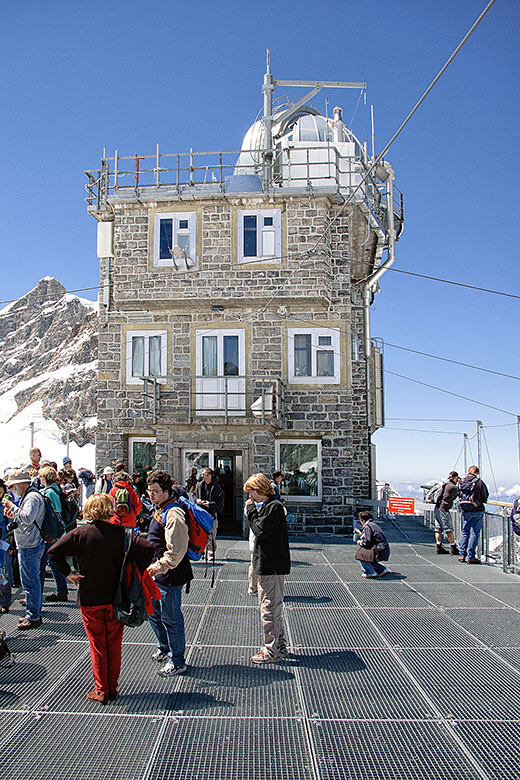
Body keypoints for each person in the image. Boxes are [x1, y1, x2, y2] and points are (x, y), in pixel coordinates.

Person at [48, 494, 155, 704]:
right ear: (109, 509)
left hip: (90, 597)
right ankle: (112, 687)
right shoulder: (123, 535)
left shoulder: (79, 534)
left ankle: (102, 689)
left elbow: (54, 552)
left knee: (97, 644)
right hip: (116, 597)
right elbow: (148, 549)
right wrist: (131, 570)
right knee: (114, 643)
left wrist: (68, 573)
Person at [146, 470, 193, 677]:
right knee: (154, 613)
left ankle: (178, 660)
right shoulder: (161, 508)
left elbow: (177, 550)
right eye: (149, 491)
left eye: (155, 491)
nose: (151, 495)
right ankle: (164, 647)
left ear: (167, 491)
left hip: (169, 575)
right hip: (158, 573)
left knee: (171, 618)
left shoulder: (173, 513)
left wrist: (158, 566)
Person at [244, 472, 290, 664]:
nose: (250, 497)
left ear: (259, 490)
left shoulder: (274, 507)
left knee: (269, 608)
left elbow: (260, 530)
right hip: (268, 563)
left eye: (251, 492)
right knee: (271, 606)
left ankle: (271, 650)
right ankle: (279, 645)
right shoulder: (271, 507)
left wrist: (251, 511)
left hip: (271, 565)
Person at [2, 469, 46, 629]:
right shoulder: (30, 496)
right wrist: (14, 515)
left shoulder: (32, 497)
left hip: (30, 544)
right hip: (28, 543)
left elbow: (28, 518)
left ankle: (33, 615)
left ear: (20, 484)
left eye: (13, 487)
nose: (12, 490)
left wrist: (12, 507)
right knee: (30, 580)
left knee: (30, 581)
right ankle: (33, 613)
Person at [39, 465, 69, 603]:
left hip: (51, 532)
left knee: (44, 563)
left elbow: (53, 513)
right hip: (56, 532)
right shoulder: (56, 490)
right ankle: (61, 591)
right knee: (53, 561)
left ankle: (36, 596)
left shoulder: (49, 492)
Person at [458, 466, 489, 564]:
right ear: (477, 473)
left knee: (465, 532)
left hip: (465, 509)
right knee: (475, 532)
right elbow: (485, 495)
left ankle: (462, 555)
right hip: (477, 509)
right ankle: (470, 556)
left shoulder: (462, 481)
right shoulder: (478, 482)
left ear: (468, 472)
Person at [195, 467, 224, 559]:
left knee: (211, 533)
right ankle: (202, 550)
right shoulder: (199, 485)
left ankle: (211, 551)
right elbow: (194, 495)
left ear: (210, 476)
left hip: (211, 513)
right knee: (201, 532)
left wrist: (210, 504)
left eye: (205, 475)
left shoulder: (216, 487)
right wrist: (197, 500)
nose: (203, 476)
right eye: (202, 475)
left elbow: (220, 501)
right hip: (201, 513)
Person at [354, 510, 391, 578]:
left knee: (362, 554)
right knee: (369, 556)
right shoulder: (373, 525)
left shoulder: (368, 526)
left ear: (363, 520)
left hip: (379, 550)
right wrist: (360, 533)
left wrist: (360, 542)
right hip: (384, 549)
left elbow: (367, 541)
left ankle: (369, 572)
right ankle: (382, 570)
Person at [434, 471, 460, 555]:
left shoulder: (445, 485)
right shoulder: (453, 487)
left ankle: (439, 546)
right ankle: (453, 547)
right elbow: (457, 495)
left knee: (438, 528)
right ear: (455, 478)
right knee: (448, 528)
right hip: (444, 509)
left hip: (437, 507)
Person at [0, 479, 13, 614]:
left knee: (4, 573)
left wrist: (10, 544)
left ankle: (5, 602)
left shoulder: (6, 505)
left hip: (2, 543)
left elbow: (11, 525)